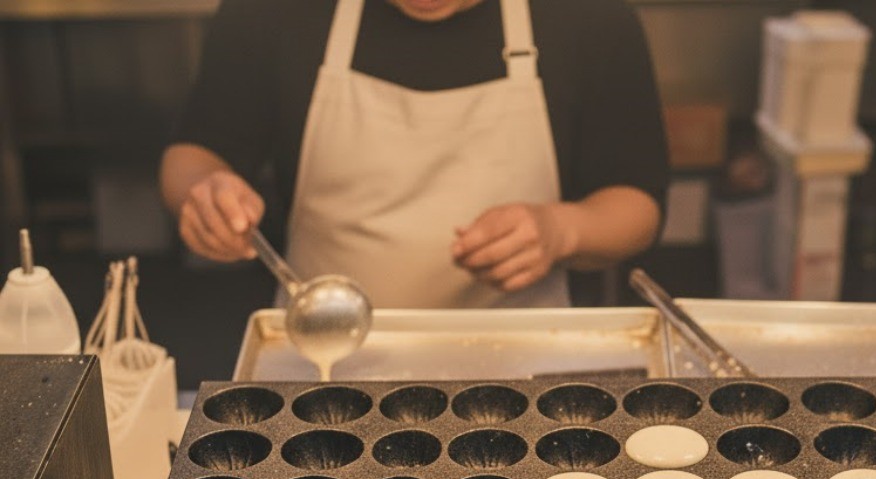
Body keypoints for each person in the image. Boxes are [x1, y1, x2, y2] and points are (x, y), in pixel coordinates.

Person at [160, 0, 668, 309]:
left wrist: (562, 231)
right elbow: (196, 152)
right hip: (325, 354)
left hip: (523, 356)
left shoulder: (591, 17)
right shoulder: (271, 12)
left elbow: (637, 205)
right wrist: (204, 196)